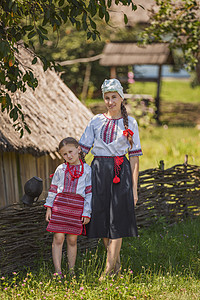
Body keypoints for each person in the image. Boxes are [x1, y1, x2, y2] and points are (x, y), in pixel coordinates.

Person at [79, 78, 143, 279]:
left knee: (118, 220)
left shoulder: (131, 122)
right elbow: (82, 151)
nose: (110, 101)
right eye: (107, 97)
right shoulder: (96, 121)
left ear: (121, 98)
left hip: (120, 171)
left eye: (114, 97)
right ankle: (116, 266)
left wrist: (134, 189)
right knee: (101, 219)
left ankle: (106, 272)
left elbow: (134, 159)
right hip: (97, 171)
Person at [44, 137, 92, 276]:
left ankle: (71, 271)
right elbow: (53, 189)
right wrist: (49, 207)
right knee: (58, 238)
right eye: (64, 154)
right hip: (60, 206)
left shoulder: (87, 170)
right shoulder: (61, 169)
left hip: (77, 207)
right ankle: (58, 271)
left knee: (72, 239)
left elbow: (89, 193)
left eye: (70, 151)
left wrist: (86, 212)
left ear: (78, 149)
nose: (68, 156)